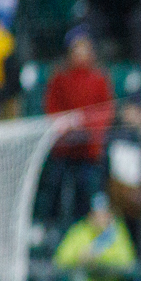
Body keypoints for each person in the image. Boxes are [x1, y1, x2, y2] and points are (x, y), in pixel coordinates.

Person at [43, 27, 114, 224]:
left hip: (88, 148)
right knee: (55, 187)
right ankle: (50, 228)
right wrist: (65, 124)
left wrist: (86, 125)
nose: (81, 53)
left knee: (86, 190)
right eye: (77, 48)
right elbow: (51, 107)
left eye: (85, 48)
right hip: (63, 145)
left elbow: (105, 110)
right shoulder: (59, 77)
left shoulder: (99, 78)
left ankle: (82, 229)